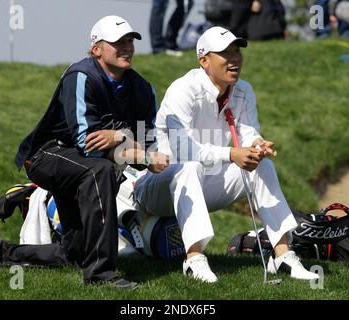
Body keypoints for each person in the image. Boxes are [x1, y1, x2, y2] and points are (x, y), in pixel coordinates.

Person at [0, 15, 168, 289]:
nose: (126, 47)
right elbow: (88, 143)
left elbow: (148, 140)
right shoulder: (81, 75)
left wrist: (123, 140)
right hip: (47, 155)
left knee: (74, 254)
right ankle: (102, 275)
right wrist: (130, 143)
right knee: (99, 171)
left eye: (129, 41)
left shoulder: (143, 89)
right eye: (117, 42)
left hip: (82, 165)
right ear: (96, 49)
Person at [133, 26, 320, 283]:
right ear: (204, 60)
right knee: (189, 167)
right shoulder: (183, 90)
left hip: (205, 185)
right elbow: (184, 150)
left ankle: (283, 256)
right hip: (158, 187)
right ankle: (194, 259)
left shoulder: (244, 90)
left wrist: (257, 144)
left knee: (262, 167)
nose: (234, 59)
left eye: (237, 51)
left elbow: (247, 132)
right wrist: (232, 154)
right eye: (225, 53)